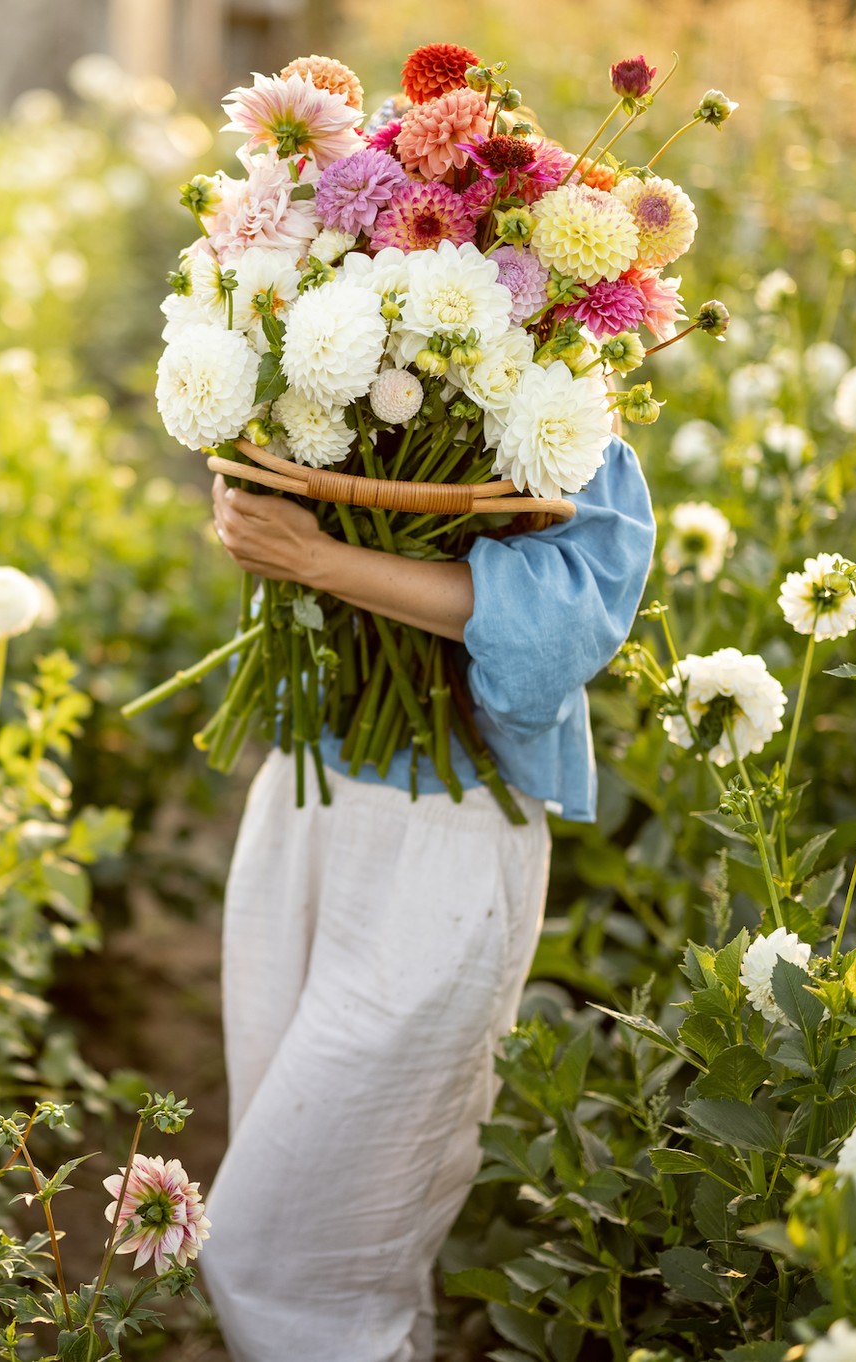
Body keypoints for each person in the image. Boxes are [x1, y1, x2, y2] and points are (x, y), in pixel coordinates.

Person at [195, 435, 656, 1361]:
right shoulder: (343, 326)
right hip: (301, 796)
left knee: (276, 1250)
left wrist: (320, 558)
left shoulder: (565, 398)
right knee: (340, 1246)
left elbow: (557, 633)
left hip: (448, 832)